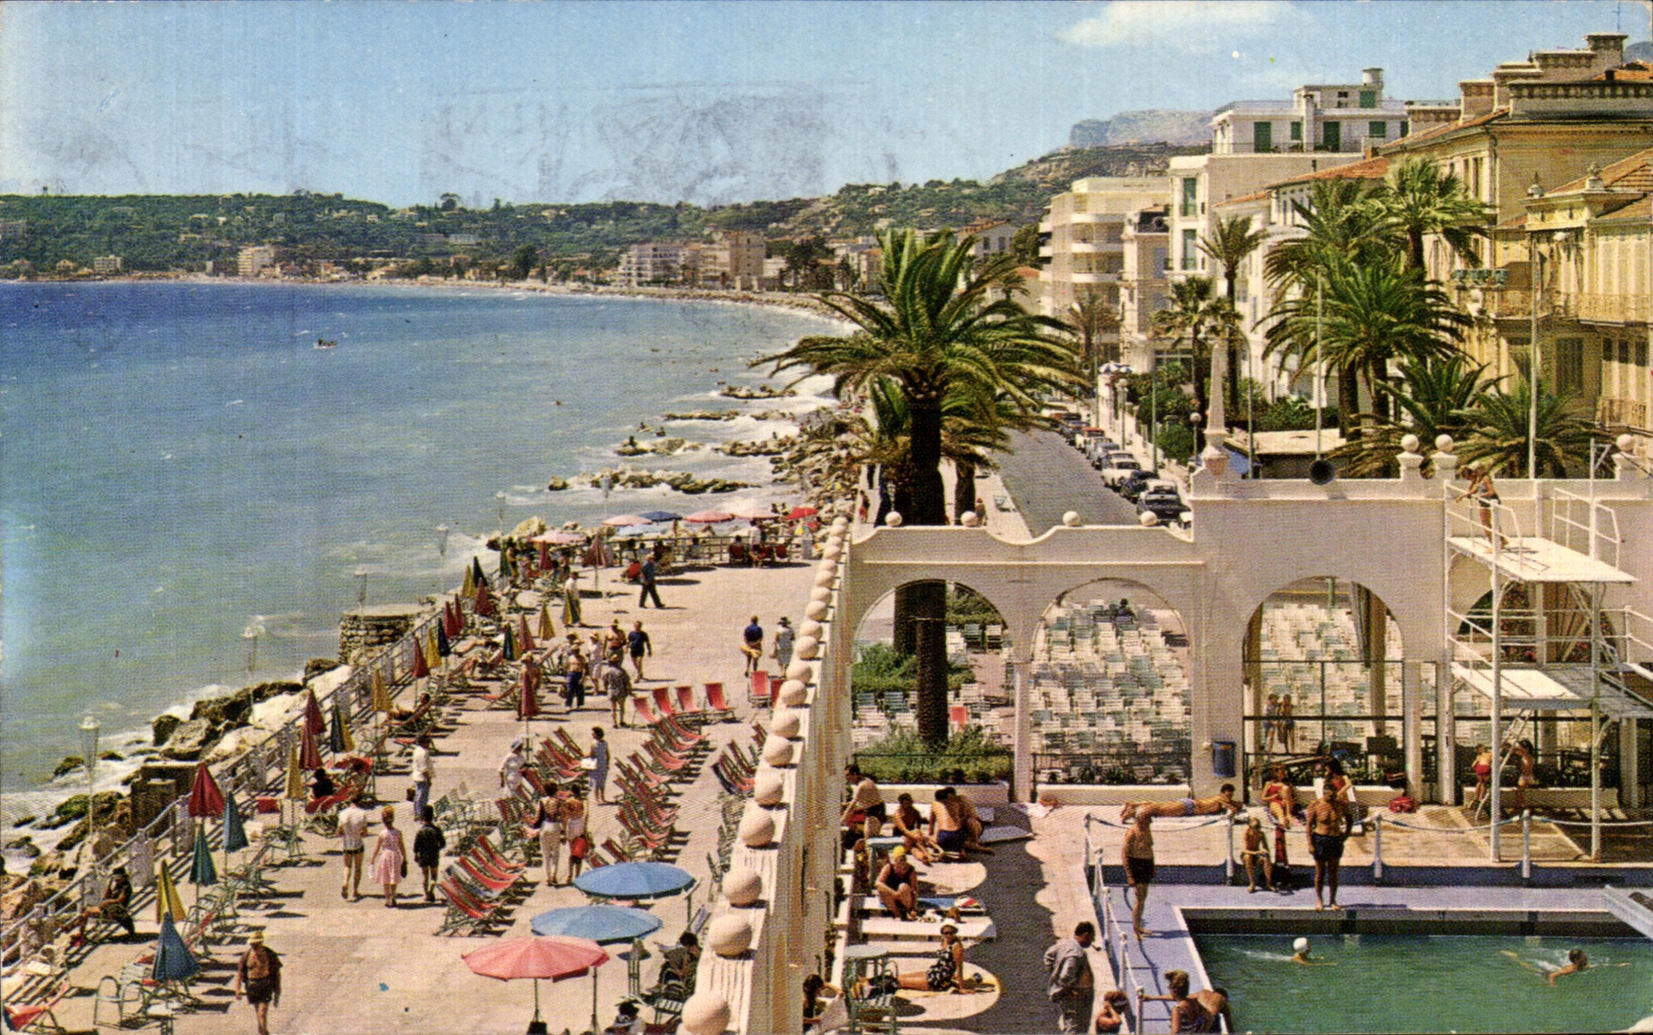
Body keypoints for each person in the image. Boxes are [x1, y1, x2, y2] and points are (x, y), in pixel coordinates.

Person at [1044, 921, 1096, 1035]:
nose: (1092, 941)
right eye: (1092, 937)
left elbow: (1048, 956)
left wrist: (1054, 973)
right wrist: (1067, 988)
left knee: (1073, 1024)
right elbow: (1066, 975)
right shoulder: (1076, 953)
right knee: (1076, 1027)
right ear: (1086, 935)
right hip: (1078, 995)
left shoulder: (1064, 944)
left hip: (1076, 994)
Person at [1304, 779, 1350, 911]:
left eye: (1334, 795)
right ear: (1324, 794)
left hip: (1335, 839)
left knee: (1333, 872)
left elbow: (1349, 819)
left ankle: (1332, 900)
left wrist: (1346, 834)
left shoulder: (1340, 804)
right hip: (1320, 839)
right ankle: (1319, 900)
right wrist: (1310, 844)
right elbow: (1309, 825)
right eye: (1330, 796)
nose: (1332, 798)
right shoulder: (1315, 805)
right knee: (1320, 873)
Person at [233, 930, 283, 1035]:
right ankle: (263, 1032)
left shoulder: (269, 954)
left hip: (265, 984)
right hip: (252, 986)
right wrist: (237, 989)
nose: (254, 946)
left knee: (262, 1013)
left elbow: (277, 973)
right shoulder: (246, 955)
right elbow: (240, 972)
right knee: (258, 1014)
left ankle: (263, 1032)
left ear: (261, 943)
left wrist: (277, 991)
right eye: (252, 944)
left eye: (256, 944)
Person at [898, 922, 970, 993]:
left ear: (955, 933)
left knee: (901, 981)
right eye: (946, 933)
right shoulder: (944, 941)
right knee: (900, 976)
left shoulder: (956, 946)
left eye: (951, 933)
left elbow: (959, 968)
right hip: (934, 971)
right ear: (942, 934)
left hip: (940, 979)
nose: (949, 935)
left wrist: (962, 988)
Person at [72, 865, 135, 944]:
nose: (117, 880)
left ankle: (76, 931)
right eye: (115, 879)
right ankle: (77, 931)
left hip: (116, 911)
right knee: (85, 911)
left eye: (118, 878)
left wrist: (107, 902)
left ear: (123, 877)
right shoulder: (117, 885)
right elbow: (106, 896)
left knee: (87, 912)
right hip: (108, 908)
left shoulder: (126, 887)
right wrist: (109, 886)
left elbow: (120, 900)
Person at [1119, 785, 1242, 823]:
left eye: (1231, 795)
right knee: (1159, 810)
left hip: (1188, 805)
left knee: (1160, 805)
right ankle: (1130, 814)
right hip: (1188, 807)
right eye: (1228, 795)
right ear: (1223, 793)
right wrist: (1234, 806)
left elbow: (1237, 804)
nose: (1229, 797)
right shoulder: (1221, 799)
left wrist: (1235, 803)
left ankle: (1133, 805)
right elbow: (1234, 809)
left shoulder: (1220, 798)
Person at [1122, 813, 1155, 939]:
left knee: (1143, 898)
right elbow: (1124, 855)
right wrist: (1130, 876)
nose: (1150, 822)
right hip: (1138, 866)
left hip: (1147, 864)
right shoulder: (1132, 833)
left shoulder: (1146, 829)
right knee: (1139, 899)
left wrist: (1152, 866)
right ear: (1140, 819)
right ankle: (1135, 930)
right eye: (1148, 819)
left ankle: (1138, 926)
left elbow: (1149, 849)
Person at [1458, 464, 1507, 546]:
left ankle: (1494, 545)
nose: (1473, 473)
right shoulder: (1479, 478)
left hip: (1489, 501)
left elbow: (1491, 492)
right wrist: (1463, 495)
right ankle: (1502, 541)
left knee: (1486, 524)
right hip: (1485, 502)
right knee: (1489, 523)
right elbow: (1474, 489)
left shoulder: (1485, 478)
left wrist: (1480, 495)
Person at [369, 804, 406, 907]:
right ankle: (393, 896)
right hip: (395, 855)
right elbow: (402, 847)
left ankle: (387, 899)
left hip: (385, 856)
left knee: (385, 878)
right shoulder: (398, 833)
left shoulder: (382, 833)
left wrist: (373, 858)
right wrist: (404, 858)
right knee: (393, 877)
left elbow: (377, 848)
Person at [892, 792, 941, 864]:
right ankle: (927, 854)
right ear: (901, 804)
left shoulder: (914, 812)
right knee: (915, 839)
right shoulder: (898, 814)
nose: (909, 806)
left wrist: (919, 835)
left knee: (914, 849)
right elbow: (904, 830)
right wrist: (916, 837)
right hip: (900, 837)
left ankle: (923, 857)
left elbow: (918, 827)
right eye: (906, 804)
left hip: (911, 839)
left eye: (910, 804)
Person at [874, 846, 920, 921]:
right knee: (881, 890)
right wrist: (894, 893)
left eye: (904, 859)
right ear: (895, 860)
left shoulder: (910, 870)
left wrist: (914, 908)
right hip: (891, 896)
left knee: (904, 886)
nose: (903, 862)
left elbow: (914, 890)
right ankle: (897, 913)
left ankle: (907, 911)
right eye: (901, 860)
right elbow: (878, 883)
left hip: (905, 897)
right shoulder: (889, 867)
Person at [532, 788, 565, 886]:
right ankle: (554, 874)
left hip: (545, 826)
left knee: (545, 855)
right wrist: (564, 832)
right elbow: (563, 817)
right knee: (555, 853)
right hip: (555, 826)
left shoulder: (542, 801)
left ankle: (548, 877)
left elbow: (537, 816)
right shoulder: (558, 802)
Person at [412, 806, 445, 903]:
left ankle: (426, 894)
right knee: (434, 876)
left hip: (423, 855)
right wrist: (437, 848)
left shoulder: (420, 831)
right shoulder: (437, 830)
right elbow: (443, 843)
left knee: (425, 876)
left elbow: (416, 846)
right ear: (432, 817)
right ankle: (431, 890)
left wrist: (416, 854)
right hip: (434, 855)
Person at [338, 799, 369, 901]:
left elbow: (338, 832)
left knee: (347, 866)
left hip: (346, 844)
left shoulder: (342, 813)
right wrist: (361, 833)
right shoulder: (362, 813)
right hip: (358, 843)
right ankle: (355, 890)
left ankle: (345, 882)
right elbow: (365, 833)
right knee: (358, 868)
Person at [1241, 816, 1277, 893]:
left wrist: (1265, 851)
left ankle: (1268, 883)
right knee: (1248, 857)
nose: (1257, 829)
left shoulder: (1261, 834)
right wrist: (1257, 852)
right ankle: (1252, 883)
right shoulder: (1247, 833)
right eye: (1255, 828)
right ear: (1250, 828)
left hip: (1256, 855)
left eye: (1258, 827)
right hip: (1248, 854)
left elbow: (1266, 847)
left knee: (1266, 858)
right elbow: (1244, 850)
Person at [930, 788, 968, 857]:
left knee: (930, 839)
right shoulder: (956, 804)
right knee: (958, 838)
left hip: (945, 834)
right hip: (959, 834)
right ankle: (961, 850)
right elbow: (963, 817)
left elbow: (931, 824)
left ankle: (940, 850)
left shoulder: (934, 804)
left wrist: (931, 836)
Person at [564, 784, 589, 880]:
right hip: (580, 823)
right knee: (579, 852)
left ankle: (570, 875)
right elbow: (586, 815)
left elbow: (566, 816)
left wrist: (565, 831)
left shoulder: (568, 801)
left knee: (572, 852)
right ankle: (577, 875)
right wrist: (585, 829)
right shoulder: (583, 801)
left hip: (572, 824)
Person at [1262, 765, 1298, 829]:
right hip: (1275, 802)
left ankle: (1288, 814)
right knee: (1280, 814)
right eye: (1282, 772)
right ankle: (1283, 823)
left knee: (1285, 788)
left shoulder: (1288, 783)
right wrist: (1275, 796)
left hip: (1287, 803)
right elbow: (1263, 798)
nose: (1284, 773)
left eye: (1284, 771)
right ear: (1276, 773)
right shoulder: (1269, 783)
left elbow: (1294, 797)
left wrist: (1286, 797)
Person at [410, 734, 434, 821]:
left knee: (418, 796)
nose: (428, 744)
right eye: (427, 742)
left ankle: (417, 813)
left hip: (418, 776)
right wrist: (428, 779)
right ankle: (420, 814)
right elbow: (423, 768)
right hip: (422, 778)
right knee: (422, 797)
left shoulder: (417, 750)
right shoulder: (422, 753)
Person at [1513, 738, 1538, 814]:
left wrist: (1517, 747)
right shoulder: (1524, 755)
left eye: (1521, 747)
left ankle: (1521, 807)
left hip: (1527, 776)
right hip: (1525, 776)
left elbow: (1520, 751)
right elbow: (1514, 750)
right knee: (1519, 792)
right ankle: (1521, 806)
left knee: (1519, 792)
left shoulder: (1528, 756)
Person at [587, 727, 610, 804]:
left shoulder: (593, 743)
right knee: (602, 781)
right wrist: (607, 763)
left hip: (596, 764)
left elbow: (591, 754)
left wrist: (583, 755)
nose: (592, 734)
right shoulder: (605, 743)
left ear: (596, 734)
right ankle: (602, 797)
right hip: (603, 763)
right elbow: (608, 754)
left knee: (596, 782)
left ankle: (597, 799)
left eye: (593, 733)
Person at [1470, 744, 1494, 808]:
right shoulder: (1490, 754)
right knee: (1484, 784)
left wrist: (1475, 769)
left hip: (1479, 767)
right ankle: (1481, 798)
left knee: (1479, 782)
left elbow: (1473, 765)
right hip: (1486, 767)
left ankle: (1476, 797)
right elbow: (1500, 759)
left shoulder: (1479, 756)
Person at [565, 646, 588, 710]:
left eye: (577, 651)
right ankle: (568, 705)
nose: (576, 652)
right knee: (570, 690)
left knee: (579, 690)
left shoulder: (582, 658)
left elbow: (585, 668)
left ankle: (579, 704)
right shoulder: (570, 658)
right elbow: (567, 667)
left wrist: (583, 677)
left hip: (579, 674)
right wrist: (567, 676)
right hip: (571, 674)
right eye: (574, 651)